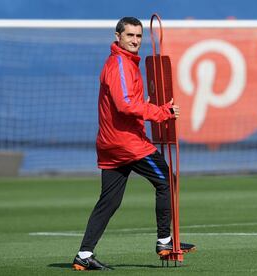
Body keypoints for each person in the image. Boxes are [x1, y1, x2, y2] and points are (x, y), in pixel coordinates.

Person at [72, 17, 196, 271]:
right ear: (117, 36)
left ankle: (84, 255)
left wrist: (147, 104)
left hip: (111, 144)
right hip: (127, 143)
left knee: (109, 201)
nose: (135, 40)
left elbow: (127, 100)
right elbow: (126, 105)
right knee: (167, 180)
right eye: (130, 35)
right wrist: (161, 112)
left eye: (138, 36)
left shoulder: (124, 63)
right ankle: (164, 241)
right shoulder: (119, 63)